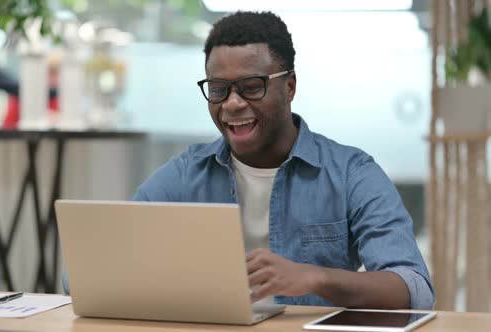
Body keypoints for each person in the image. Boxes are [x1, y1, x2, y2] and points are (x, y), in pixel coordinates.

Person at [131, 11, 434, 309]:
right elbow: (119, 252)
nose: (232, 104)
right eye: (218, 90)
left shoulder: (351, 173)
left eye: (251, 87)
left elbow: (412, 287)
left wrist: (316, 277)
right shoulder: (186, 174)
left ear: (289, 86)